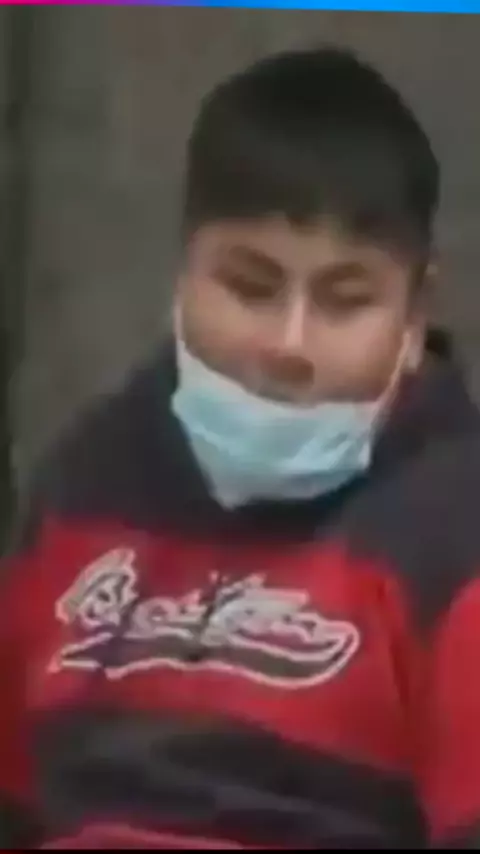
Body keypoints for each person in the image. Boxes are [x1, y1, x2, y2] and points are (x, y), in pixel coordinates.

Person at [2, 46, 480, 850]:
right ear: (183, 274)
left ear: (414, 311)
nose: (289, 345)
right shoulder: (82, 484)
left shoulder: (456, 534)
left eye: (345, 301)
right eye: (250, 287)